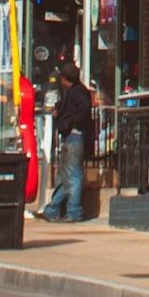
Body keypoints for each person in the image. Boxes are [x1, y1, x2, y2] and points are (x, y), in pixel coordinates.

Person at [36, 61, 92, 222]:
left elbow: (83, 111)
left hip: (75, 137)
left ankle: (74, 211)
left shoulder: (79, 93)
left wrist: (69, 123)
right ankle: (52, 209)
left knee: (73, 176)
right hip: (70, 137)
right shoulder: (73, 92)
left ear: (64, 78)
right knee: (64, 176)